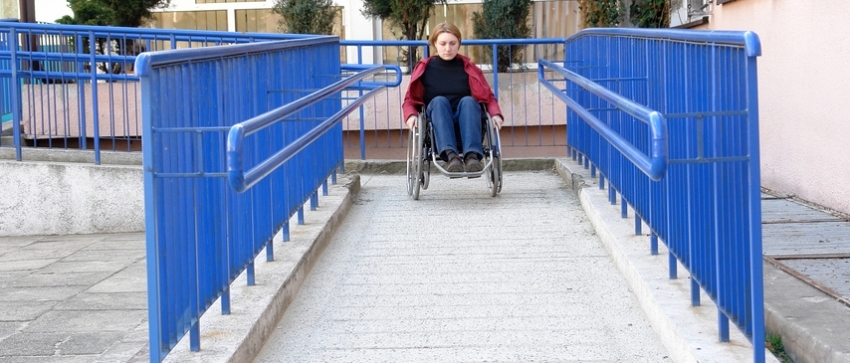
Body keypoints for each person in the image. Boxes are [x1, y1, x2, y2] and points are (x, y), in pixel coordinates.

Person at [402, 22, 504, 173]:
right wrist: (410, 115)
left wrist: (495, 113)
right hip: (437, 120)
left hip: (467, 117)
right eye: (442, 43)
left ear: (459, 44)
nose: (447, 48)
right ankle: (451, 157)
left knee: (469, 101)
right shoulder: (425, 68)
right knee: (439, 101)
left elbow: (487, 96)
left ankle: (471, 157)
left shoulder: (469, 68)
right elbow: (410, 99)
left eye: (452, 43)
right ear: (435, 44)